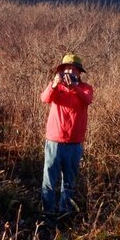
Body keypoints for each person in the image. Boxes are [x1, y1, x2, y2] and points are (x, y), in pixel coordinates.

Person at [40, 53, 95, 217]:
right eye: (66, 69)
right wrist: (54, 85)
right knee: (49, 181)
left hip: (74, 143)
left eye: (73, 69)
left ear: (79, 72)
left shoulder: (85, 88)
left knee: (69, 181)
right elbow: (44, 98)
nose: (70, 72)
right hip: (54, 141)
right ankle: (47, 213)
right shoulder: (56, 87)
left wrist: (74, 88)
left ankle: (65, 213)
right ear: (61, 71)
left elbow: (87, 100)